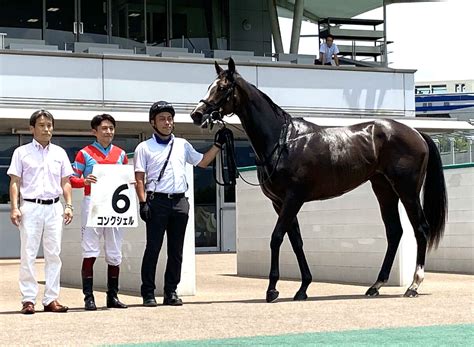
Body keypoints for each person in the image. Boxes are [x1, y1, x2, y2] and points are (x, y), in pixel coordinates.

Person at [134, 101, 226, 307]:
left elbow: (202, 162)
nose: (167, 122)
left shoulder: (183, 144)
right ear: (153, 123)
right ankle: (148, 292)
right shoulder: (144, 147)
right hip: (156, 201)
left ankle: (171, 291)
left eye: (169, 118)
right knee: (153, 248)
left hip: (179, 201)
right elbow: (139, 178)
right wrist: (142, 203)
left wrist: (218, 146)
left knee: (176, 251)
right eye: (162, 119)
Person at [8, 110, 74, 314]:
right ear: (32, 128)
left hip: (54, 207)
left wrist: (69, 205)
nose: (47, 129)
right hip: (31, 207)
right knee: (28, 253)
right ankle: (28, 299)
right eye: (42, 125)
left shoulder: (59, 153)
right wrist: (14, 207)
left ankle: (51, 299)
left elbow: (66, 182)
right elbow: (15, 182)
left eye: (49, 125)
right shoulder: (21, 152)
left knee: (54, 254)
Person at [70, 114, 129, 311]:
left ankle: (112, 296)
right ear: (94, 131)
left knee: (114, 252)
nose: (109, 131)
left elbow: (125, 180)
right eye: (104, 128)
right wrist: (83, 181)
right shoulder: (84, 153)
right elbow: (71, 179)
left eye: (111, 128)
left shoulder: (121, 154)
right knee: (90, 250)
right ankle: (89, 298)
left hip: (114, 207)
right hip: (92, 203)